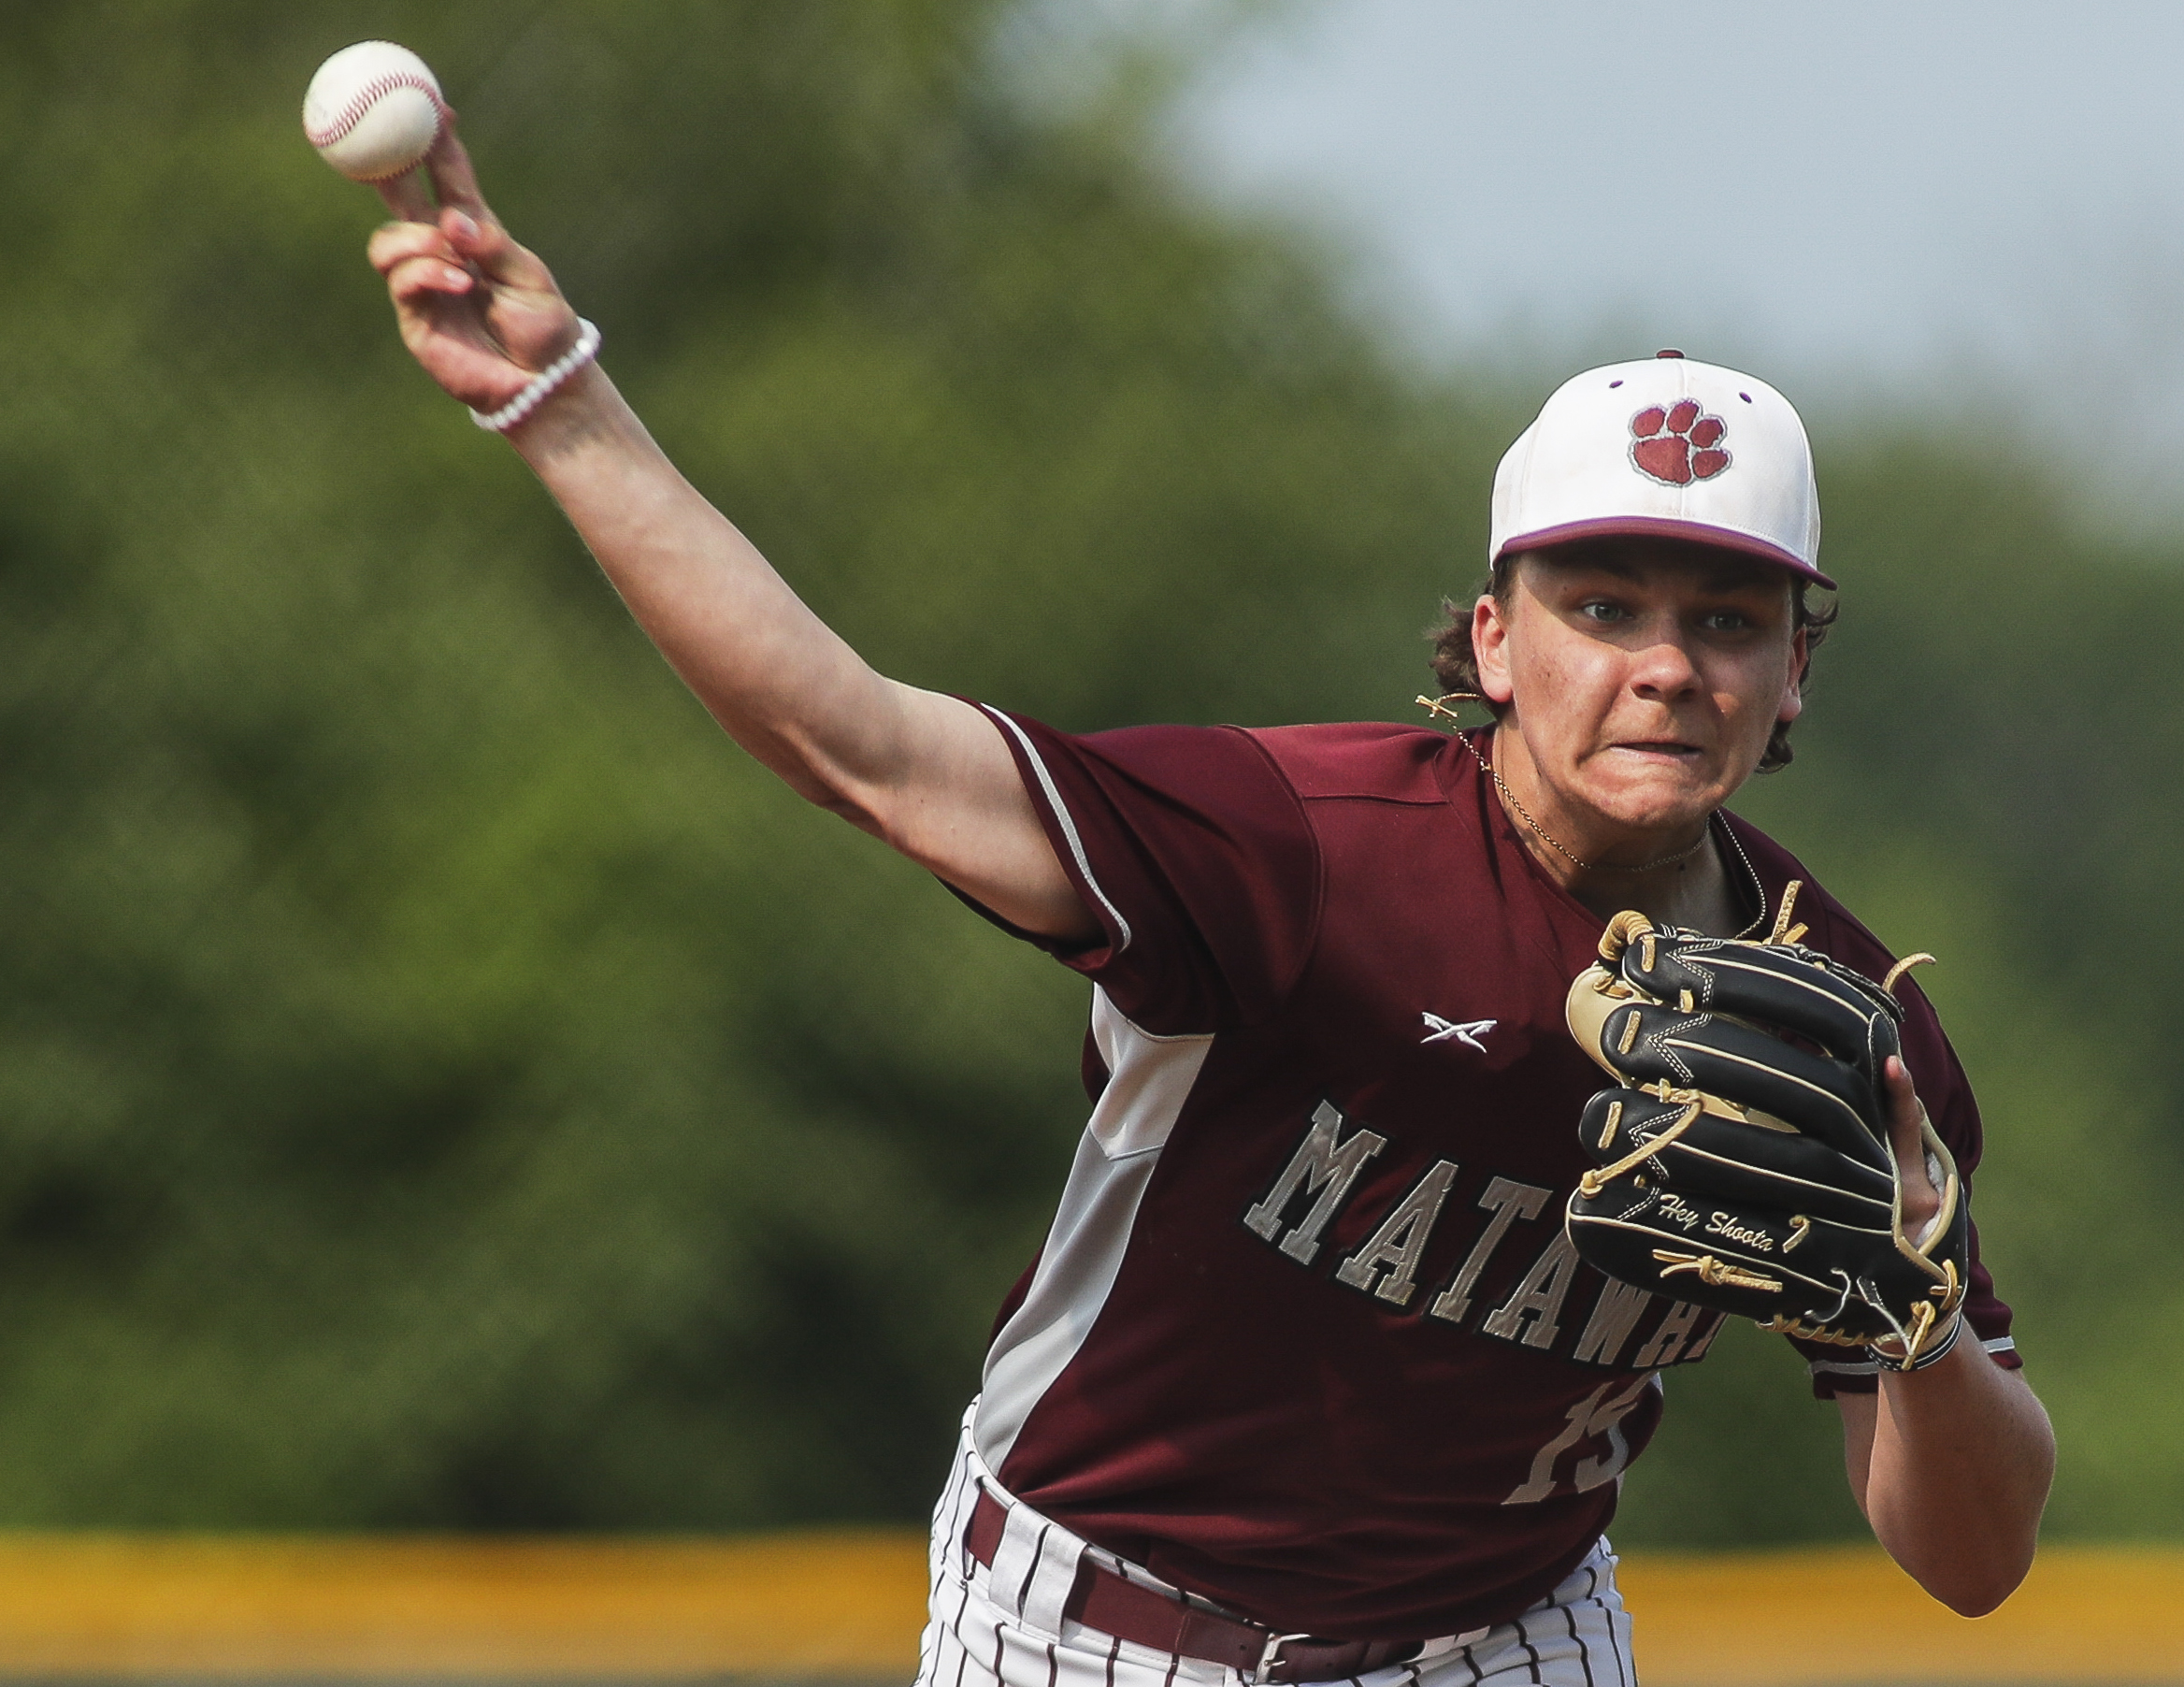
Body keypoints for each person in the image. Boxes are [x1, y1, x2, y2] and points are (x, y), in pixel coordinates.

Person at [363, 122, 2054, 1687]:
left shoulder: (1842, 1025)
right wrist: (564, 405)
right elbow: (856, 744)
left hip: (1499, 1644)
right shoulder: (1301, 847)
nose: (1664, 669)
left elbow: (1973, 1565)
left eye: (1726, 622)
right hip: (1097, 1623)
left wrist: (1904, 1326)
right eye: (1600, 606)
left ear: (1792, 678)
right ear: (1490, 643)